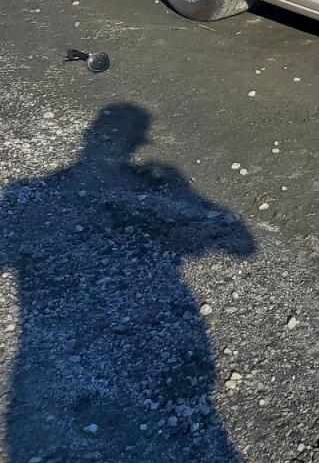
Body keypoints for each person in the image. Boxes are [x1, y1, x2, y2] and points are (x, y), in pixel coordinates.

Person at [1, 103, 254, 462]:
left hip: (47, 365)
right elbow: (243, 245)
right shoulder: (155, 180)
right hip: (73, 360)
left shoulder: (28, 193)